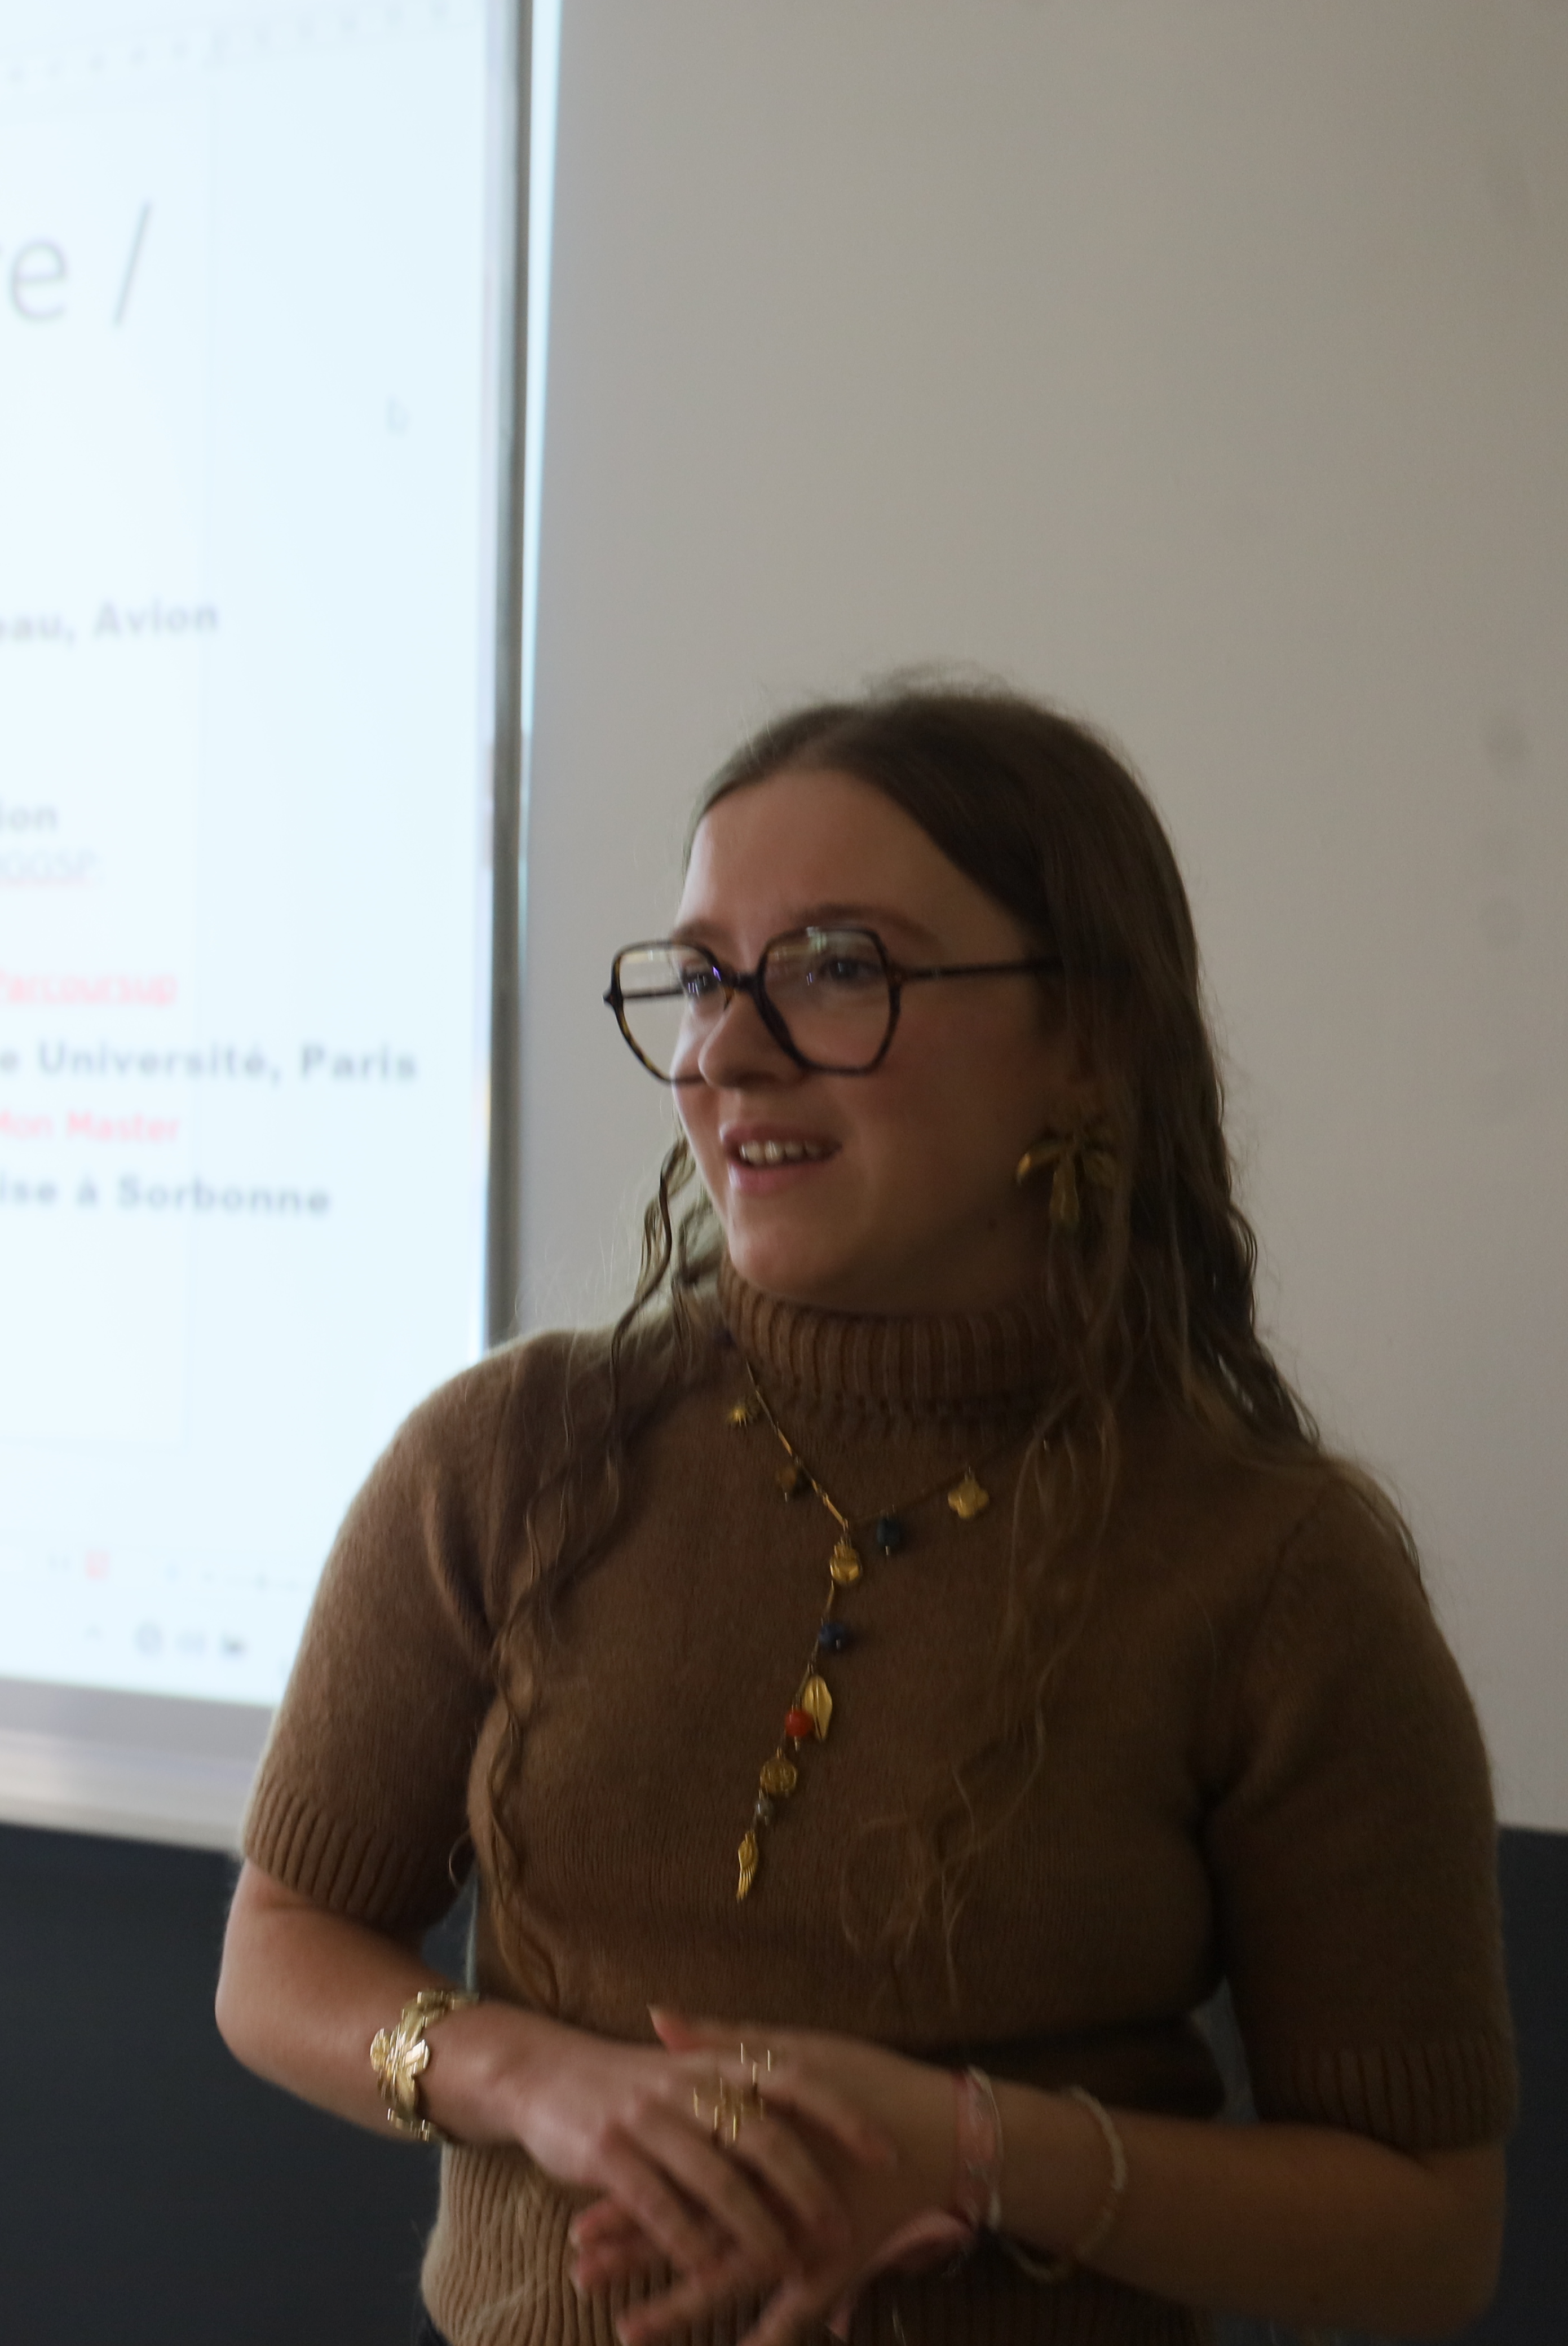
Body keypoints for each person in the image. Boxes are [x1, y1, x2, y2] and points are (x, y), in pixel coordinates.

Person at [215, 685, 1513, 2345]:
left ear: (1087, 1038)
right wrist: (524, 2077)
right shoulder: (512, 1458)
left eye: (839, 967)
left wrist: (979, 2155)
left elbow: (1427, 2236)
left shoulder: (1274, 1572)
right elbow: (282, 1948)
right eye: (703, 976)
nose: (726, 1051)